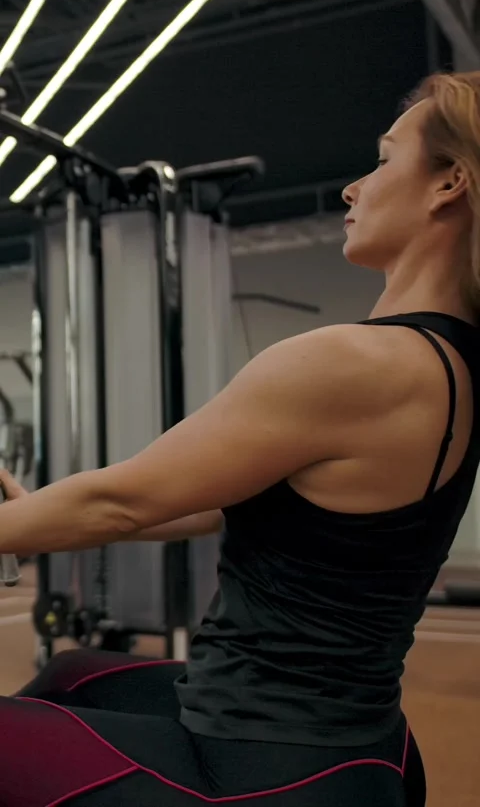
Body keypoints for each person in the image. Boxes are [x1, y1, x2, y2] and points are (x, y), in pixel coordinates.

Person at [1, 69, 480, 807]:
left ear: (449, 182)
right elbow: (200, 503)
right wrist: (31, 514)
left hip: (259, 767)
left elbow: (122, 502)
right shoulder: (451, 361)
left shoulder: (358, 362)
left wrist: (42, 520)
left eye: (383, 160)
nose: (352, 188)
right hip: (354, 746)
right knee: (71, 675)